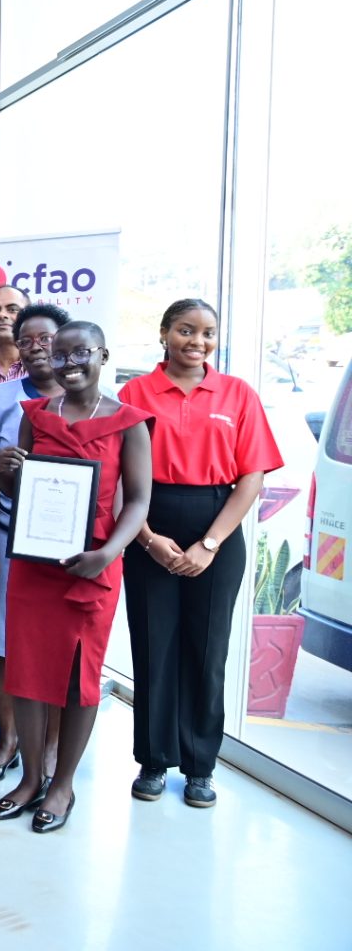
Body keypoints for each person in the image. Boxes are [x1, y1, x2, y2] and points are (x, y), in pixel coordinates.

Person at [120, 299, 281, 809]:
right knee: (153, 648)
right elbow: (120, 476)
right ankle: (153, 759)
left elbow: (251, 477)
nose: (197, 341)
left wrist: (210, 544)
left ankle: (200, 766)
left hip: (217, 525)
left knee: (207, 654)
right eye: (186, 330)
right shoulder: (135, 393)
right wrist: (147, 538)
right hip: (149, 520)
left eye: (208, 332)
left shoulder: (237, 394)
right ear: (164, 333)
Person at [0, 322, 152, 832]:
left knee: (79, 677)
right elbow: (18, 489)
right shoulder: (35, 415)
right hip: (34, 565)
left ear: (103, 354)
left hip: (92, 566)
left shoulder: (128, 421)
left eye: (81, 353)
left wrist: (108, 553)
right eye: (59, 355)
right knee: (27, 673)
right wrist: (1, 469)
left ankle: (62, 785)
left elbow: (139, 501)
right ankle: (30, 779)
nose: (69, 363)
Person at [0, 303, 71, 784]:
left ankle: (49, 749)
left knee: (59, 648)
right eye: (25, 340)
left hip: (68, 548)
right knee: (5, 641)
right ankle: (8, 740)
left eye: (45, 338)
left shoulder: (88, 400)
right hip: (7, 535)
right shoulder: (0, 397)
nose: (35, 347)